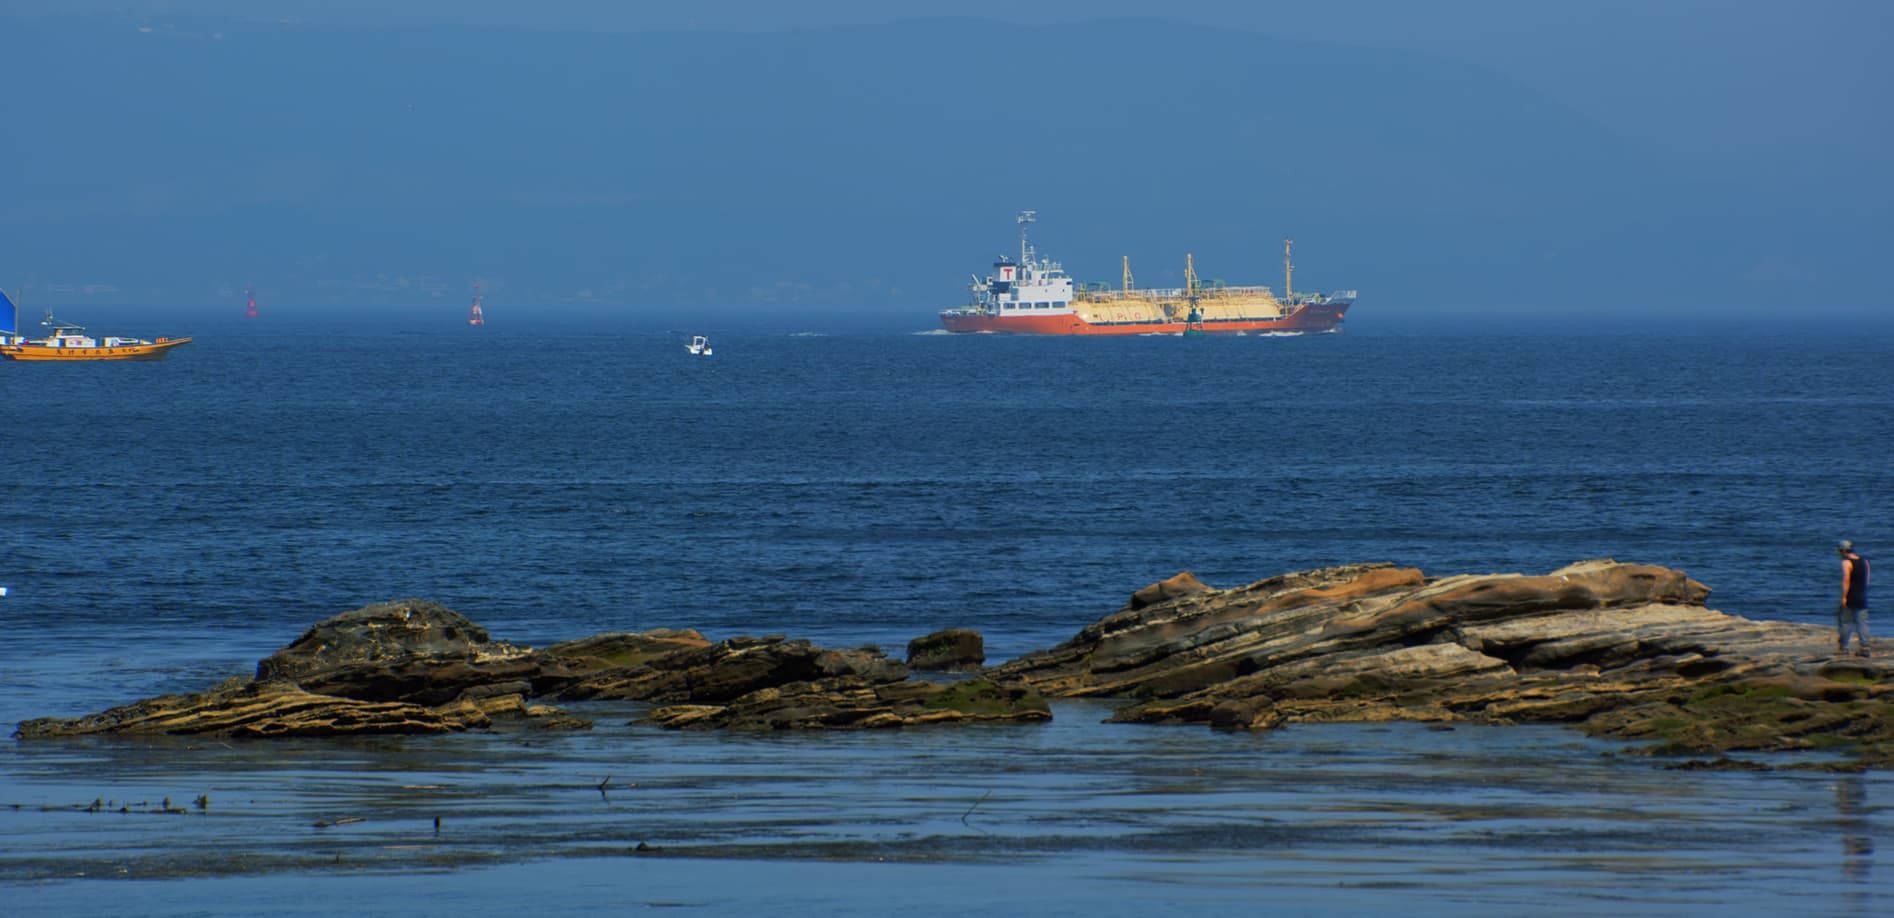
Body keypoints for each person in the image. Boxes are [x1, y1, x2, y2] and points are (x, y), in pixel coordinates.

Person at [1837, 540, 1871, 657]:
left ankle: (1844, 648)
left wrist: (1844, 597)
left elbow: (1846, 580)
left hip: (1851, 596)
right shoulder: (1864, 562)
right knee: (1862, 623)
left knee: (1846, 622)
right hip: (1862, 595)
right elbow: (1867, 580)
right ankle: (1865, 648)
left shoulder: (1846, 563)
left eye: (1840, 551)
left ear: (1844, 551)